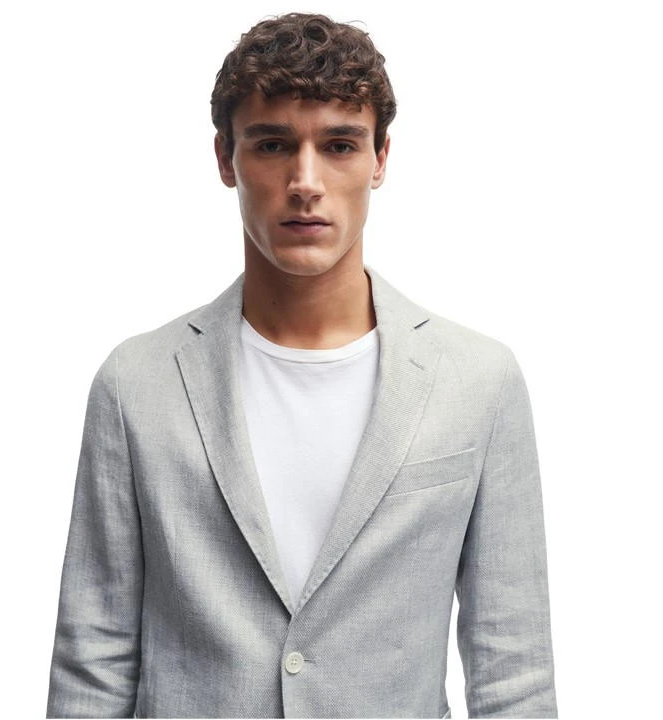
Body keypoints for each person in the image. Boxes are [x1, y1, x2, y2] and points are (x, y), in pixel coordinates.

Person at [46, 12, 557, 719]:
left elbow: (513, 671)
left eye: (339, 145)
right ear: (226, 158)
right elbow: (94, 663)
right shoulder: (136, 384)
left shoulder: (478, 381)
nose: (305, 181)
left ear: (380, 159)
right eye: (273, 144)